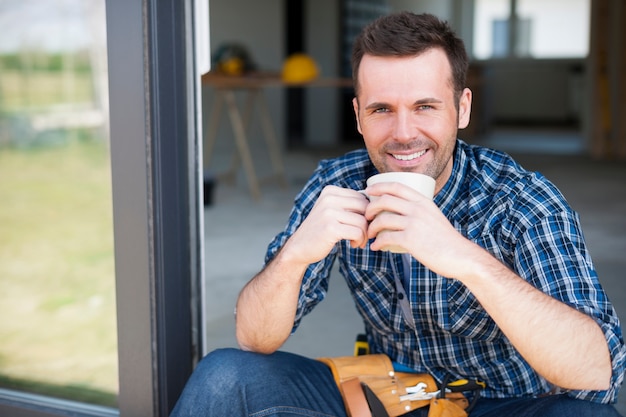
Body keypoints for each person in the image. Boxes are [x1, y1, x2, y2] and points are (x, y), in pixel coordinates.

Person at [171, 12, 625, 417]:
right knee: (224, 376)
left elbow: (595, 369)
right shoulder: (337, 186)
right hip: (386, 393)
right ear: (358, 115)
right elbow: (255, 339)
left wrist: (462, 257)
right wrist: (293, 257)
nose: (404, 134)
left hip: (506, 402)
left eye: (425, 106)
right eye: (382, 109)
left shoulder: (520, 199)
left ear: (461, 108)